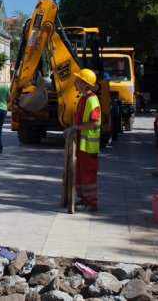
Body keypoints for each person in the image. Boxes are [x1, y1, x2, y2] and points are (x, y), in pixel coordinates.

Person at [64, 68, 101, 212]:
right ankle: (84, 199)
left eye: (78, 80)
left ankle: (91, 202)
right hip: (82, 143)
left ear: (86, 84)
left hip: (88, 145)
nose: (75, 82)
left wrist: (75, 128)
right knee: (80, 173)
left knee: (87, 174)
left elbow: (94, 122)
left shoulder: (91, 100)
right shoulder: (83, 98)